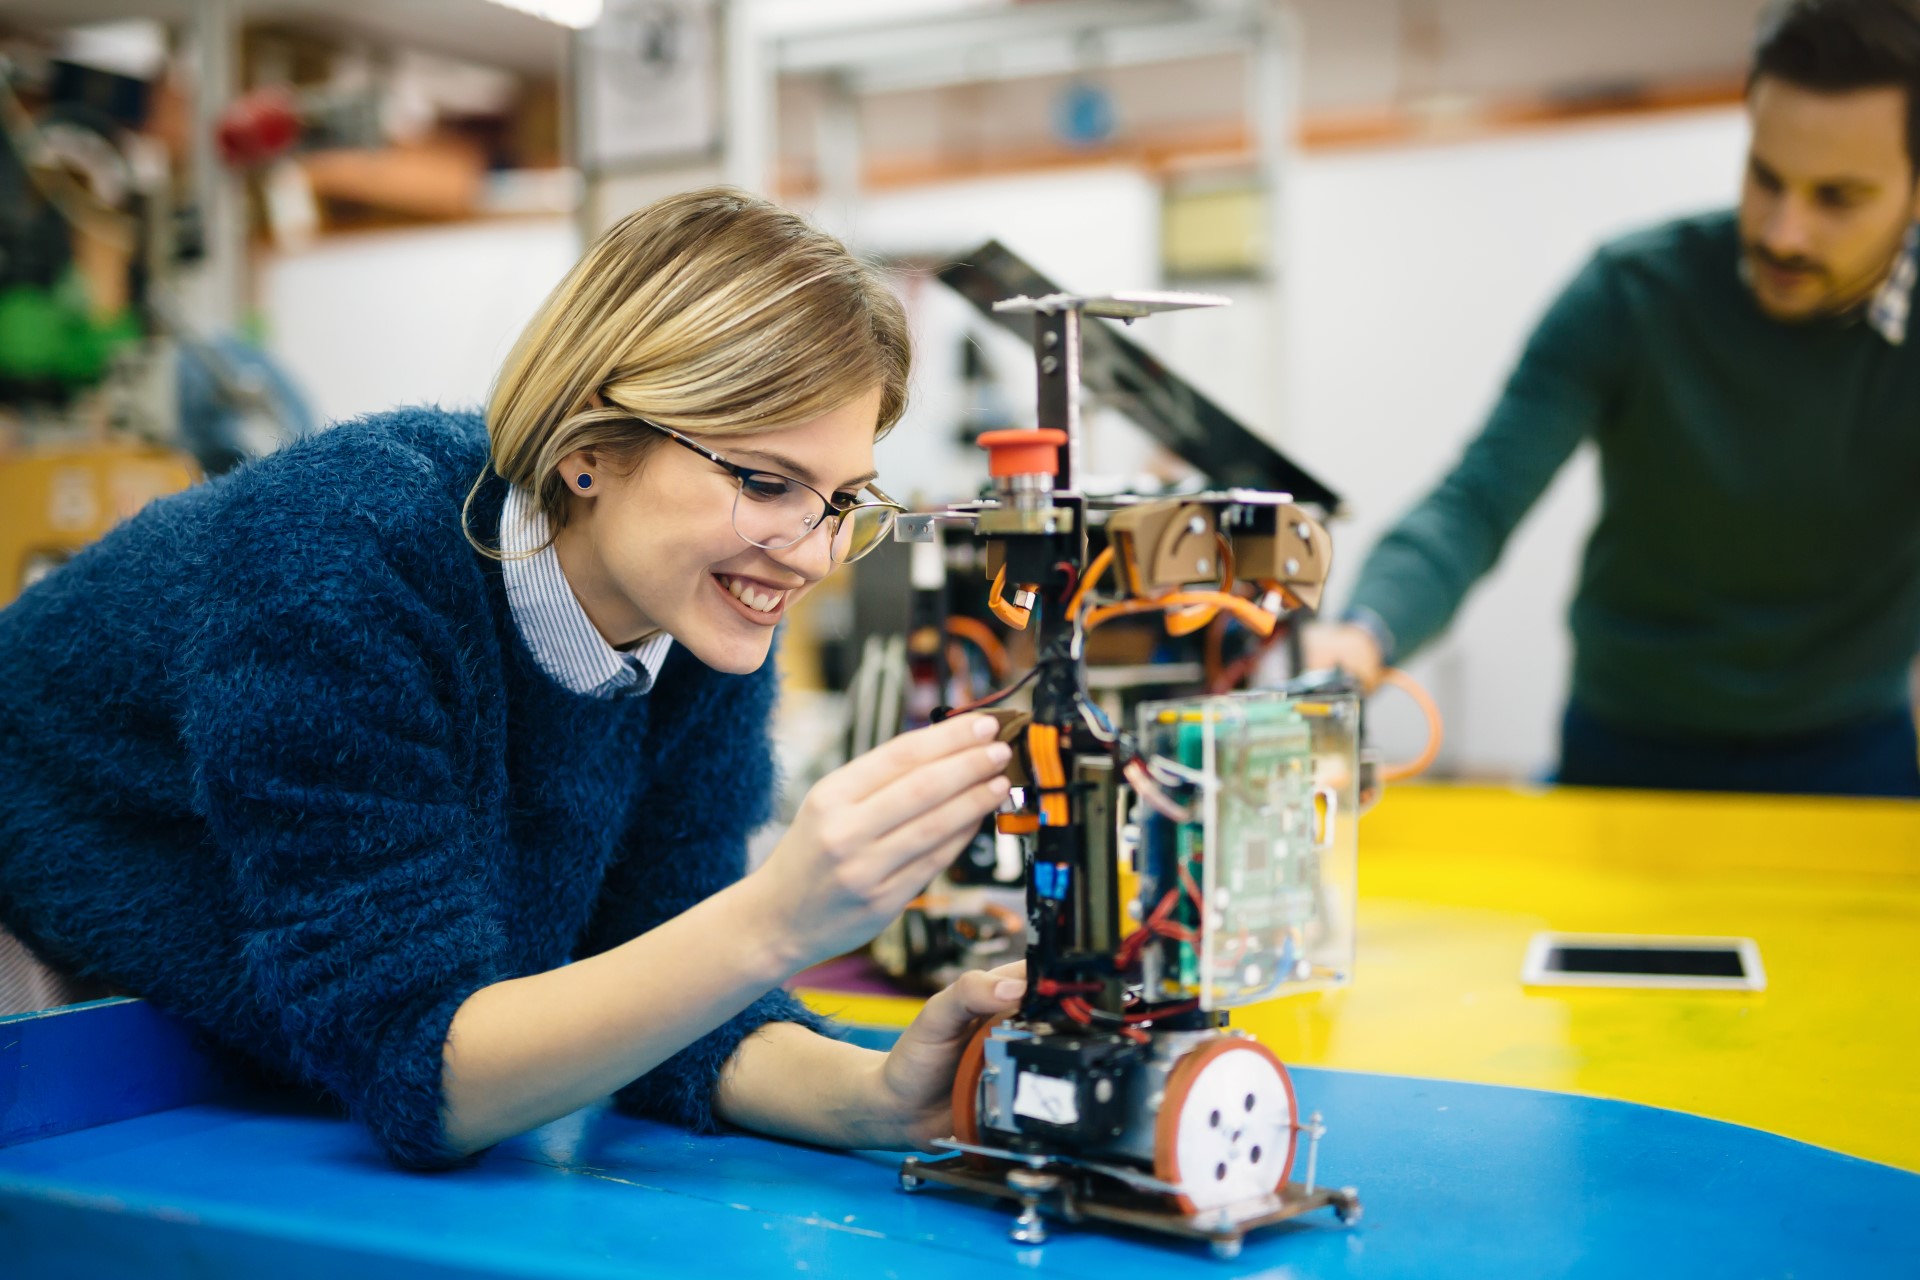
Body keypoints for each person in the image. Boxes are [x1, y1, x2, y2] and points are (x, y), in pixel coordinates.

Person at [0, 188, 1029, 1169]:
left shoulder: (698, 619)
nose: (810, 553)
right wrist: (780, 917)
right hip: (44, 987)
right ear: (590, 446)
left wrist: (879, 1097)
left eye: (843, 496)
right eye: (766, 481)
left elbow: (669, 998)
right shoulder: (346, 558)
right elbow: (425, 1068)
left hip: (254, 1028)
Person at [1306, 0, 1920, 798]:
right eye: (1765, 178)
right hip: (1629, 746)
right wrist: (1363, 637)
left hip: (1849, 755)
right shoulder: (1631, 296)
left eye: (1836, 198)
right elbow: (1478, 501)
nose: (1783, 233)